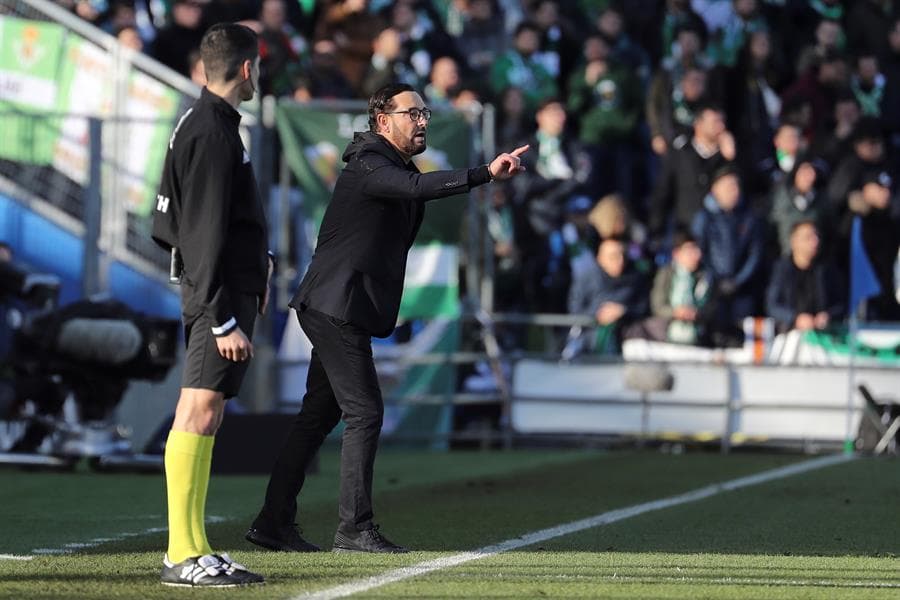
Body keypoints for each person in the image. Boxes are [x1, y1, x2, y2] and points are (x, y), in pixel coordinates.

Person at [247, 83, 528, 554]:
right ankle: (354, 529)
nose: (422, 122)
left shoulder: (393, 166)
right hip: (336, 306)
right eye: (412, 113)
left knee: (318, 416)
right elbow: (416, 189)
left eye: (425, 114)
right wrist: (485, 173)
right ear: (383, 120)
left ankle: (273, 522)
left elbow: (413, 191)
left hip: (341, 305)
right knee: (366, 412)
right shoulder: (369, 164)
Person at [151, 23, 270, 587]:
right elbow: (196, 234)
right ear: (247, 68)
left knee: (209, 412)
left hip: (222, 292)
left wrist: (256, 271)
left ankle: (194, 546)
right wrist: (220, 313)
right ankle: (180, 553)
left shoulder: (211, 124)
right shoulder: (210, 132)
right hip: (214, 299)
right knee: (196, 412)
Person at [765, 220, 844, 333]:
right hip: (790, 333)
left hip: (823, 334)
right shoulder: (781, 269)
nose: (815, 242)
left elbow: (840, 304)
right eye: (808, 238)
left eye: (816, 236)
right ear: (794, 242)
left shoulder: (826, 269)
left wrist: (827, 316)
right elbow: (772, 305)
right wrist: (795, 318)